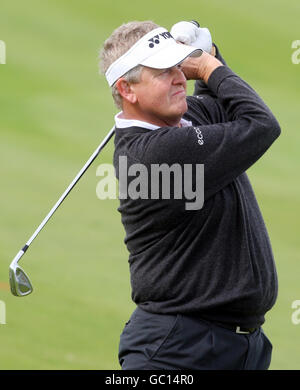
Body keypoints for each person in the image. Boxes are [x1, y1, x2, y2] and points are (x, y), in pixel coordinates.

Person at [99, 20, 281, 370]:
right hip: (179, 351)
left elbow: (218, 101)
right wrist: (209, 67)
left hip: (236, 348)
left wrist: (210, 52)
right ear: (127, 89)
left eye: (179, 66)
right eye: (165, 72)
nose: (181, 77)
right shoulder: (154, 155)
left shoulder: (180, 123)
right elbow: (260, 125)